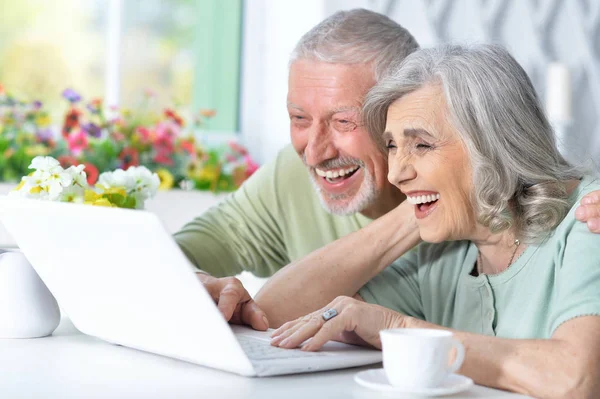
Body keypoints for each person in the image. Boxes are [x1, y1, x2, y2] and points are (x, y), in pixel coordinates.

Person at [174, 9, 600, 331]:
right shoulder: (293, 173)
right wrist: (420, 210)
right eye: (299, 119)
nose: (316, 151)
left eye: (345, 122)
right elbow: (181, 262)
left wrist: (457, 194)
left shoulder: (571, 223)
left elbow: (571, 375)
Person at [269, 44, 600, 398]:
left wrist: (400, 326)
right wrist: (421, 210)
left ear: (493, 144)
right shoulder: (443, 251)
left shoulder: (588, 219)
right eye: (393, 146)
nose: (396, 173)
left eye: (421, 146)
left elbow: (575, 379)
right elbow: (274, 315)